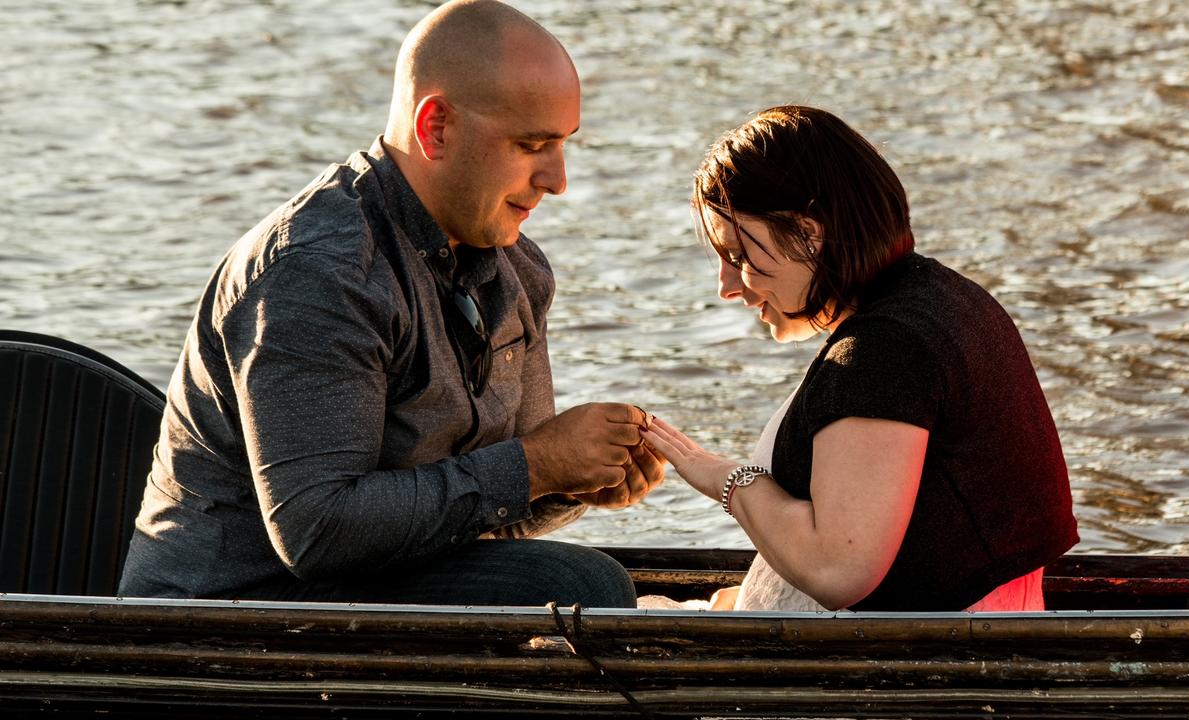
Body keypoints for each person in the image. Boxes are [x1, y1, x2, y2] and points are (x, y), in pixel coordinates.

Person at [119, 0, 664, 608]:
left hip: (370, 591)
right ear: (436, 127)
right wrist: (540, 464)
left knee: (584, 581)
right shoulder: (319, 273)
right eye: (532, 144)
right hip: (227, 620)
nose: (558, 179)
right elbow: (318, 531)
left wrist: (575, 481)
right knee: (578, 585)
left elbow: (488, 511)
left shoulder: (518, 268)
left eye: (563, 145)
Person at [642, 105, 1078, 612]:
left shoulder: (883, 353)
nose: (727, 286)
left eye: (740, 256)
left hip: (901, 672)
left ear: (807, 234)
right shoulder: (944, 298)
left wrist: (727, 481)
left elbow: (838, 570)